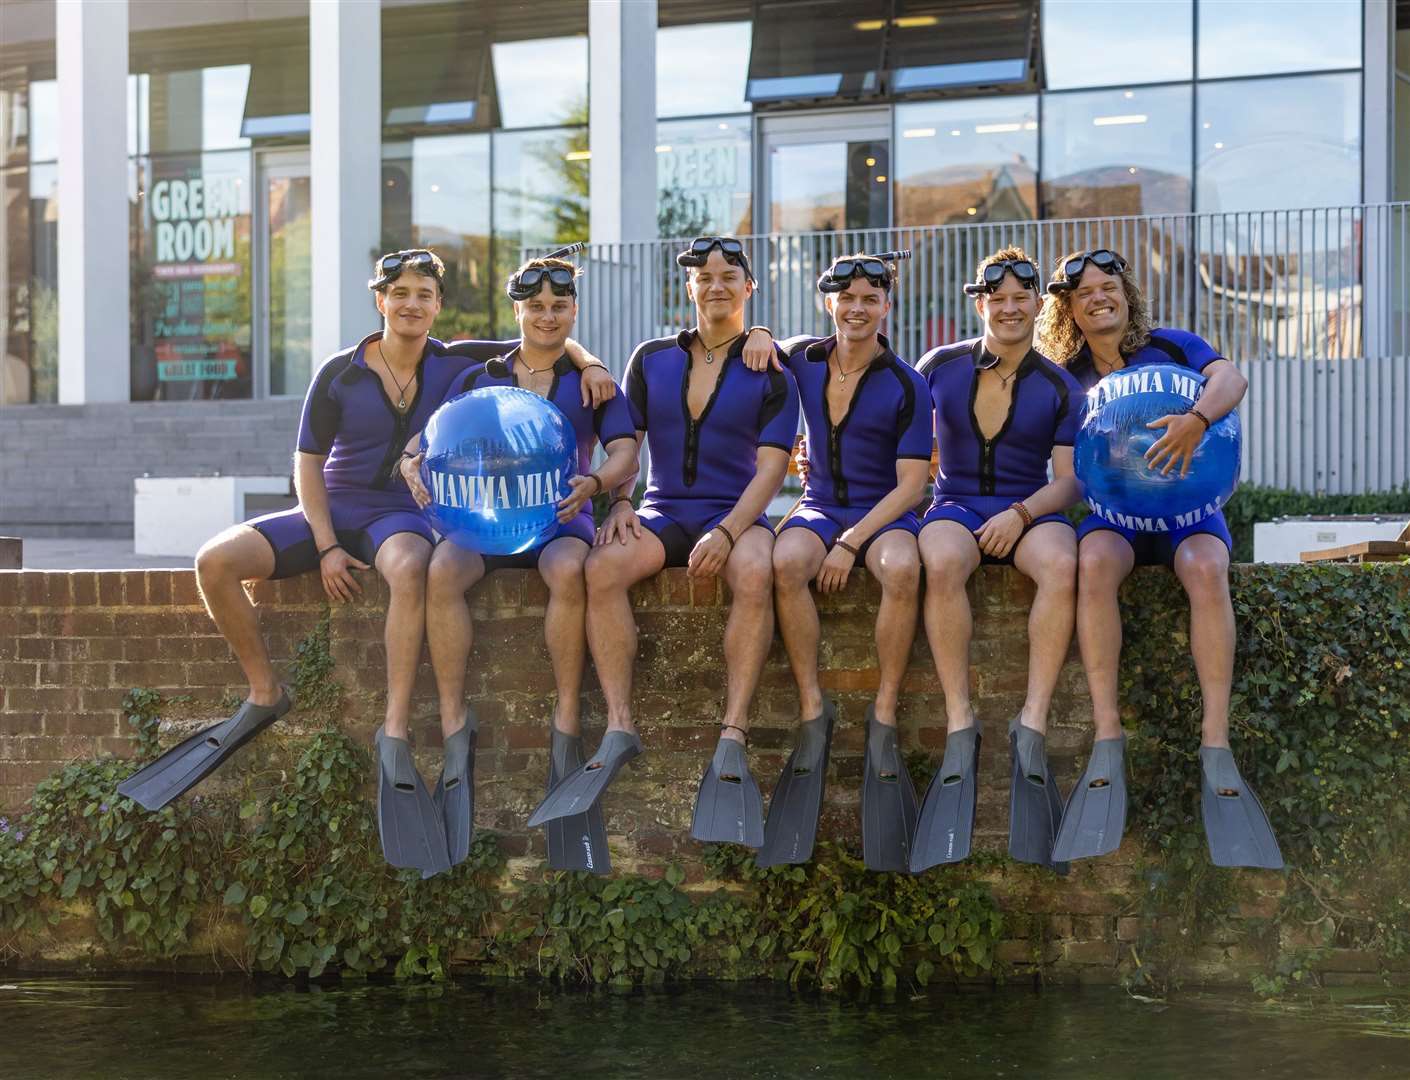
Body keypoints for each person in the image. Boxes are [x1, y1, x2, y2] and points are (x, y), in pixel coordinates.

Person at [118, 248, 614, 881]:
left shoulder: (455, 361)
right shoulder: (339, 372)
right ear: (381, 299)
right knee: (214, 561)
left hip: (397, 516)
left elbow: (543, 338)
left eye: (424, 295)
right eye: (400, 292)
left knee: (412, 567)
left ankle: (396, 728)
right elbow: (306, 464)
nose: (412, 304)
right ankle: (265, 692)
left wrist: (591, 360)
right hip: (331, 507)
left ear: (438, 305)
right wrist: (325, 545)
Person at [527, 237, 796, 844]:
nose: (716, 285)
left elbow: (773, 470)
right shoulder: (650, 359)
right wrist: (620, 502)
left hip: (739, 514)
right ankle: (620, 727)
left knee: (756, 571)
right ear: (690, 288)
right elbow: (629, 446)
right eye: (704, 277)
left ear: (748, 289)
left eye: (730, 276)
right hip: (663, 510)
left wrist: (730, 531)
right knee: (601, 569)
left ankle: (733, 732)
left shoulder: (770, 365)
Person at [1037, 248, 1282, 870]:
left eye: (1109, 285)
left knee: (1206, 568)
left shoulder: (1173, 345)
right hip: (1113, 517)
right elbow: (1047, 456)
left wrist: (1196, 420)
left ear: (1127, 293)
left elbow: (1233, 381)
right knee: (1092, 565)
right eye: (1084, 291)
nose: (1100, 296)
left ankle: (1215, 740)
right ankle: (1108, 733)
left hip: (1190, 515)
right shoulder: (1065, 376)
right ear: (1067, 308)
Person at [400, 255, 639, 875]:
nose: (547, 316)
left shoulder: (594, 381)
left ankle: (565, 717)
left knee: (567, 571)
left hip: (562, 517)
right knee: (441, 571)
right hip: (486, 521)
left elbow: (626, 452)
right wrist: (409, 461)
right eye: (535, 307)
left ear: (573, 311)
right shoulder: (482, 372)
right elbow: (429, 437)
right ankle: (455, 718)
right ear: (518, 311)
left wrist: (594, 482)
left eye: (559, 307)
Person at [909, 247, 1082, 874]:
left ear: (1038, 305)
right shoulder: (938, 367)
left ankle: (1030, 722)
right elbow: (904, 445)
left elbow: (1070, 483)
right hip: (954, 505)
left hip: (1029, 507)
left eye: (1021, 299)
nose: (1009, 309)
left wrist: (1022, 515)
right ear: (980, 302)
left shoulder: (1060, 384)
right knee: (940, 559)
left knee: (1064, 566)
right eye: (997, 299)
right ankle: (961, 719)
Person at [762, 252, 931, 871]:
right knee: (784, 565)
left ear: (887, 306)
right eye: (847, 297)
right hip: (817, 505)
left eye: (871, 298)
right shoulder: (802, 358)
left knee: (904, 569)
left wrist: (852, 541)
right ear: (827, 301)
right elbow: (757, 344)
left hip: (884, 514)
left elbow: (913, 485)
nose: (858, 308)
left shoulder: (908, 381)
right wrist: (757, 332)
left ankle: (883, 709)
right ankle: (814, 706)